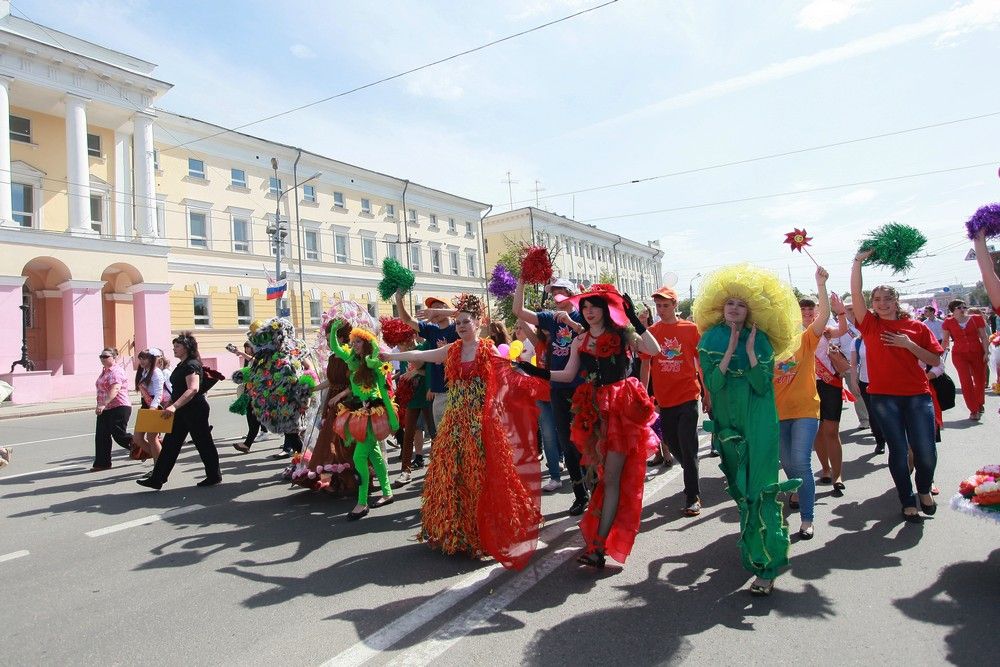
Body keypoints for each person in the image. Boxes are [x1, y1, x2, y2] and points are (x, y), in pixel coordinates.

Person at [382, 293, 544, 570]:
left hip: (481, 423)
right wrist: (391, 354)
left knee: (483, 473)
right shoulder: (453, 350)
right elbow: (424, 354)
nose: (462, 327)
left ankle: (484, 531)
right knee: (452, 473)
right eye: (459, 323)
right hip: (455, 422)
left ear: (478, 323)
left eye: (467, 322)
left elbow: (508, 376)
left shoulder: (488, 350)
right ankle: (457, 531)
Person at [519, 284, 661, 568]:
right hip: (593, 409)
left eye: (594, 306)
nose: (589, 311)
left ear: (605, 310)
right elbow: (568, 374)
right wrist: (533, 370)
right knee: (599, 477)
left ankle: (598, 547)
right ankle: (602, 536)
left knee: (611, 478)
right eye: (585, 307)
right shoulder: (579, 340)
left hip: (620, 409)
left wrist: (632, 318)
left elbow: (653, 349)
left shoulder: (622, 335)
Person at [694, 264, 802, 596]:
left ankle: (766, 565)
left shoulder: (763, 338)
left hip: (758, 414)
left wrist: (752, 351)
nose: (735, 309)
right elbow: (712, 383)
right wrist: (729, 350)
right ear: (720, 306)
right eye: (730, 303)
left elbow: (760, 384)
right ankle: (751, 547)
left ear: (751, 309)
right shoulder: (710, 338)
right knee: (741, 490)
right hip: (728, 418)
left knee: (762, 486)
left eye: (742, 304)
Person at [850, 251, 943, 523]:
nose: (881, 303)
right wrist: (858, 262)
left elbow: (934, 360)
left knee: (924, 450)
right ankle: (907, 499)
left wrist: (909, 345)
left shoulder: (916, 327)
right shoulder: (869, 324)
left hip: (917, 395)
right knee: (899, 451)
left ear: (896, 300)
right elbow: (855, 292)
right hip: (883, 397)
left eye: (887, 298)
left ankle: (924, 489)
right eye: (876, 299)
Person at [513, 277, 590, 516]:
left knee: (586, 440)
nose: (556, 297)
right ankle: (580, 494)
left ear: (570, 294)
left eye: (560, 292)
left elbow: (592, 337)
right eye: (553, 292)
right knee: (566, 442)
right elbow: (518, 311)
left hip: (581, 388)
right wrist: (522, 283)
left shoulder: (582, 315)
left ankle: (596, 488)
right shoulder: (549, 317)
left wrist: (571, 321)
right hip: (557, 388)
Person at [773, 267, 830, 540]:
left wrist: (821, 285)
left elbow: (825, 317)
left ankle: (807, 519)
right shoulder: (766, 344)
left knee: (800, 461)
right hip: (778, 414)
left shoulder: (806, 337)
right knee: (787, 463)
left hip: (806, 410)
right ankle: (797, 491)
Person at [640, 286, 706, 516]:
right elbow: (646, 363)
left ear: (675, 306)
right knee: (670, 442)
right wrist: (642, 392)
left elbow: (701, 363)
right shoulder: (652, 331)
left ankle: (692, 496)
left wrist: (707, 394)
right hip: (664, 399)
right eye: (658, 305)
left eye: (666, 305)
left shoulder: (690, 329)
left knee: (688, 448)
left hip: (688, 395)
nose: (661, 309)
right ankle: (692, 475)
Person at [327, 322, 397, 519]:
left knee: (359, 457)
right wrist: (333, 331)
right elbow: (336, 348)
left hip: (371, 412)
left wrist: (392, 418)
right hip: (357, 410)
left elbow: (384, 391)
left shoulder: (375, 364)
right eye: (353, 341)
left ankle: (362, 502)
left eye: (358, 341)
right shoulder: (352, 360)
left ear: (367, 344)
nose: (355, 344)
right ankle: (387, 492)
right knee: (373, 455)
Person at [137, 333, 222, 490]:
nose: (174, 349)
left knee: (203, 443)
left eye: (177, 346)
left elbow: (193, 388)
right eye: (174, 346)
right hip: (181, 410)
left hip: (195, 409)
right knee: (170, 444)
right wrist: (170, 403)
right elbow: (177, 389)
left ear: (187, 348)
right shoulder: (181, 365)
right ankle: (157, 479)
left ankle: (214, 476)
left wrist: (174, 406)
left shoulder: (191, 365)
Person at [289, 316, 359, 496]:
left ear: (342, 338)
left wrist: (339, 397)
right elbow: (331, 380)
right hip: (332, 400)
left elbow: (355, 383)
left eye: (330, 339)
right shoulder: (332, 357)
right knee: (329, 441)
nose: (328, 343)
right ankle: (335, 478)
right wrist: (312, 388)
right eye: (327, 339)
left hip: (346, 403)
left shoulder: (350, 356)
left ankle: (349, 478)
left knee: (343, 442)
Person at [396, 292, 458, 435]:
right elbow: (407, 319)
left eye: (437, 307)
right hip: (440, 393)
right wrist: (399, 300)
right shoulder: (431, 330)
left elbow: (467, 312)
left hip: (457, 389)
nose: (433, 311)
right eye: (431, 309)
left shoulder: (458, 327)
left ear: (446, 308)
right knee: (443, 436)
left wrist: (438, 311)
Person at [813, 302, 850, 495]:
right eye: (803, 309)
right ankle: (825, 469)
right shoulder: (794, 333)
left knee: (831, 430)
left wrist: (841, 312)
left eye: (811, 309)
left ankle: (837, 475)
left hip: (829, 384)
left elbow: (843, 330)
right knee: (817, 432)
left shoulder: (825, 330)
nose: (807, 312)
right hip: (808, 386)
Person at [941, 299, 989, 421]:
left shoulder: (976, 318)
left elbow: (983, 336)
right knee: (965, 381)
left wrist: (986, 352)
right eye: (959, 308)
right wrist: (939, 355)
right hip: (959, 354)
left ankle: (979, 403)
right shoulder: (948, 322)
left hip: (977, 352)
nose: (963, 310)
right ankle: (973, 410)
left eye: (964, 307)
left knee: (980, 380)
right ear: (953, 311)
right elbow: (945, 340)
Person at [92, 347, 133, 472]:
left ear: (114, 358)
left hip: (119, 406)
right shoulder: (104, 372)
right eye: (101, 356)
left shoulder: (116, 371)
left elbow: (115, 389)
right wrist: (101, 405)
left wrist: (103, 404)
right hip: (106, 407)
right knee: (101, 436)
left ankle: (142, 446)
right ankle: (102, 463)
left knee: (119, 434)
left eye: (106, 356)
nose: (102, 358)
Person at [132, 348, 170, 469]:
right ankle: (161, 460)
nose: (142, 361)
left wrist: (153, 407)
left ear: (153, 359)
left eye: (145, 358)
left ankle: (159, 466)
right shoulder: (144, 371)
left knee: (152, 438)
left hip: (154, 406)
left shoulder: (156, 372)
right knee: (138, 438)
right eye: (140, 358)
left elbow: (159, 392)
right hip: (145, 405)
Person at [852, 337, 886, 454]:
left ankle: (894, 445)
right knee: (873, 414)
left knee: (888, 414)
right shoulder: (857, 341)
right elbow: (854, 364)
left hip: (885, 381)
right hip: (865, 382)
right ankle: (880, 441)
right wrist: (853, 381)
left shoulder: (883, 337)